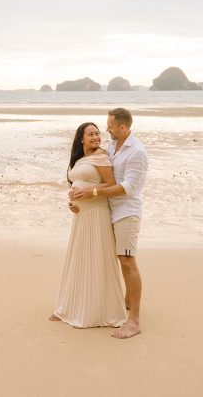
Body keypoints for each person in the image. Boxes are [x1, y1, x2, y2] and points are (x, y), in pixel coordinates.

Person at [69, 107, 147, 339]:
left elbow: (127, 187)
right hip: (107, 211)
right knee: (113, 258)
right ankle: (124, 302)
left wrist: (91, 193)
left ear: (123, 127)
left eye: (110, 126)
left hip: (126, 211)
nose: (106, 130)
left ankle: (134, 320)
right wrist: (76, 198)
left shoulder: (137, 153)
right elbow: (91, 173)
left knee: (126, 260)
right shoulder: (112, 146)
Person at [49, 122, 127, 329]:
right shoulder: (80, 159)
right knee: (80, 257)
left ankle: (98, 310)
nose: (95, 137)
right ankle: (71, 306)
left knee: (96, 258)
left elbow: (110, 183)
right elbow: (76, 185)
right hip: (81, 215)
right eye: (90, 134)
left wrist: (88, 193)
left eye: (97, 134)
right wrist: (72, 202)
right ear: (81, 139)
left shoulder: (101, 156)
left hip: (97, 213)